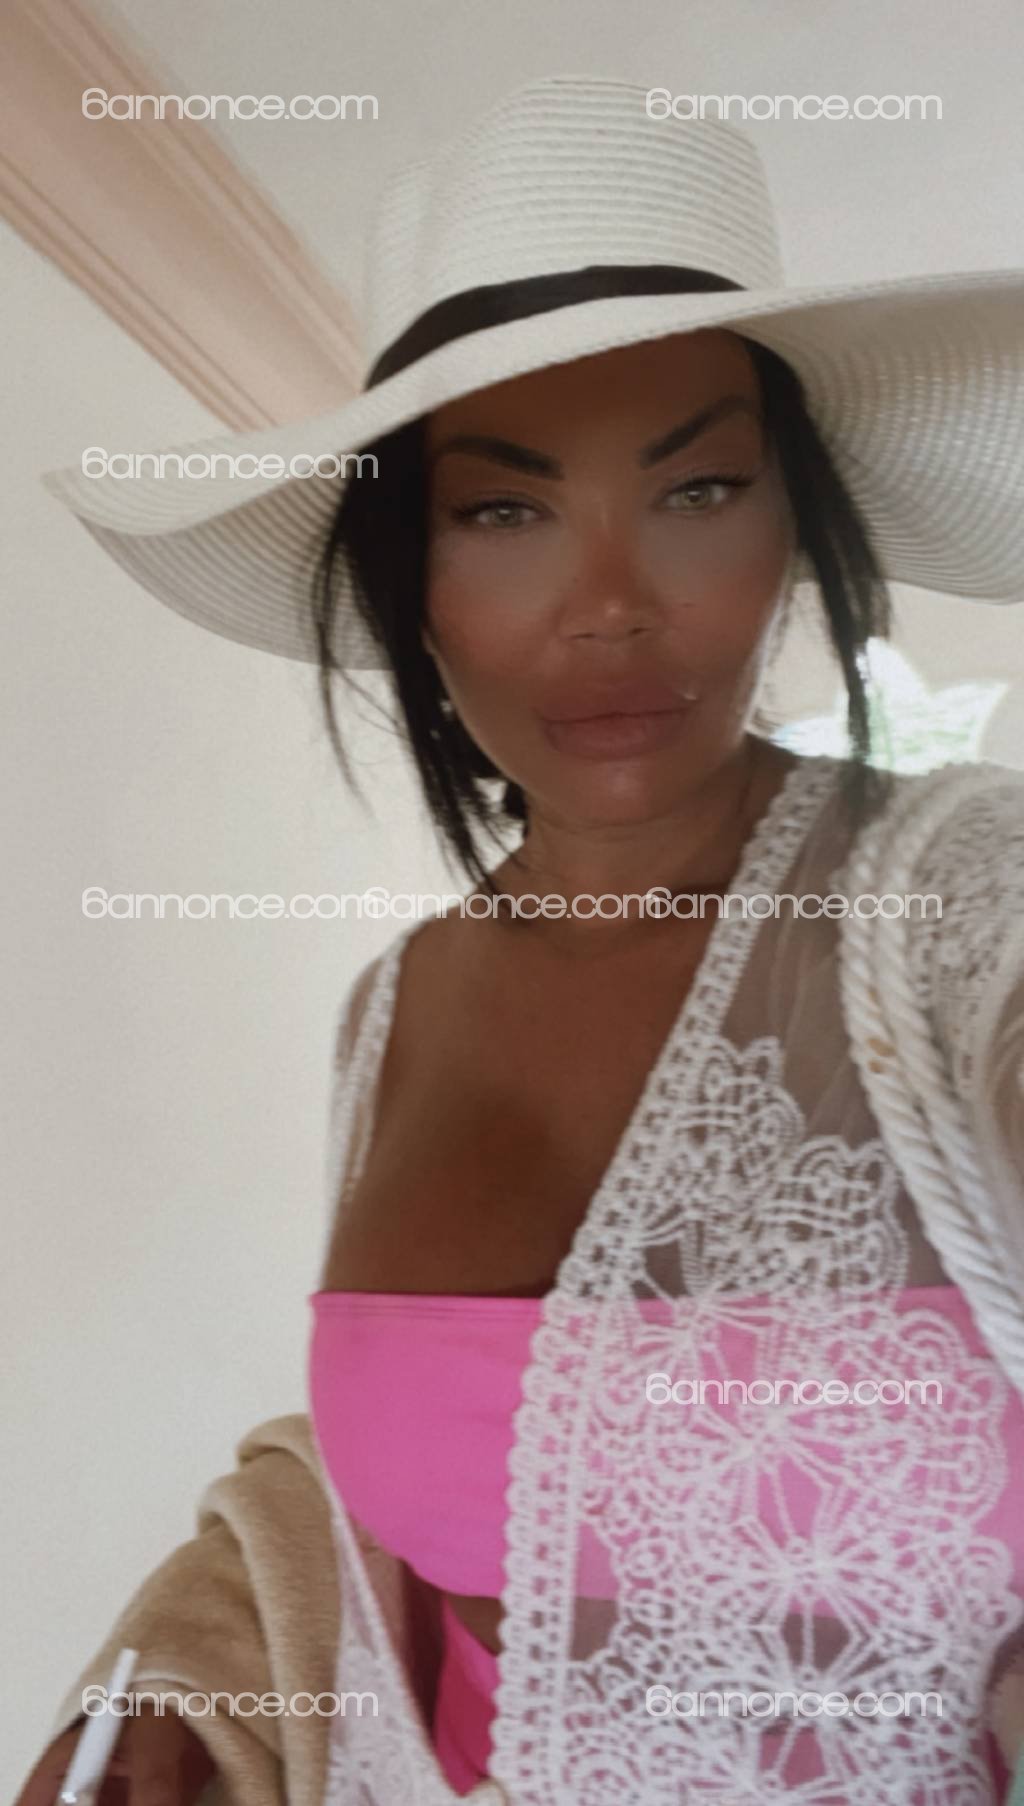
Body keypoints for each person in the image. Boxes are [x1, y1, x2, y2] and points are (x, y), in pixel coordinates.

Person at [19, 73, 1024, 1805]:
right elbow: (386, 1477)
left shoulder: (960, 901)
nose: (612, 605)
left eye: (699, 489)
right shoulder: (388, 1010)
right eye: (504, 510)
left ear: (795, 528)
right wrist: (179, 1695)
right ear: (408, 574)